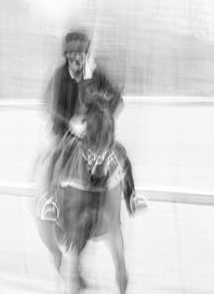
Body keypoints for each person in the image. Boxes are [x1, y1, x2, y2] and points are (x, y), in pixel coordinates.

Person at [39, 30, 148, 221]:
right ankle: (52, 201)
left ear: (85, 55)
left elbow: (118, 100)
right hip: (64, 131)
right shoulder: (58, 76)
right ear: (66, 56)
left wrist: (103, 120)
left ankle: (132, 198)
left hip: (93, 133)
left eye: (80, 54)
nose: (76, 58)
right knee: (57, 154)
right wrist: (70, 122)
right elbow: (48, 104)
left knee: (120, 152)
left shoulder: (96, 75)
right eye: (72, 54)